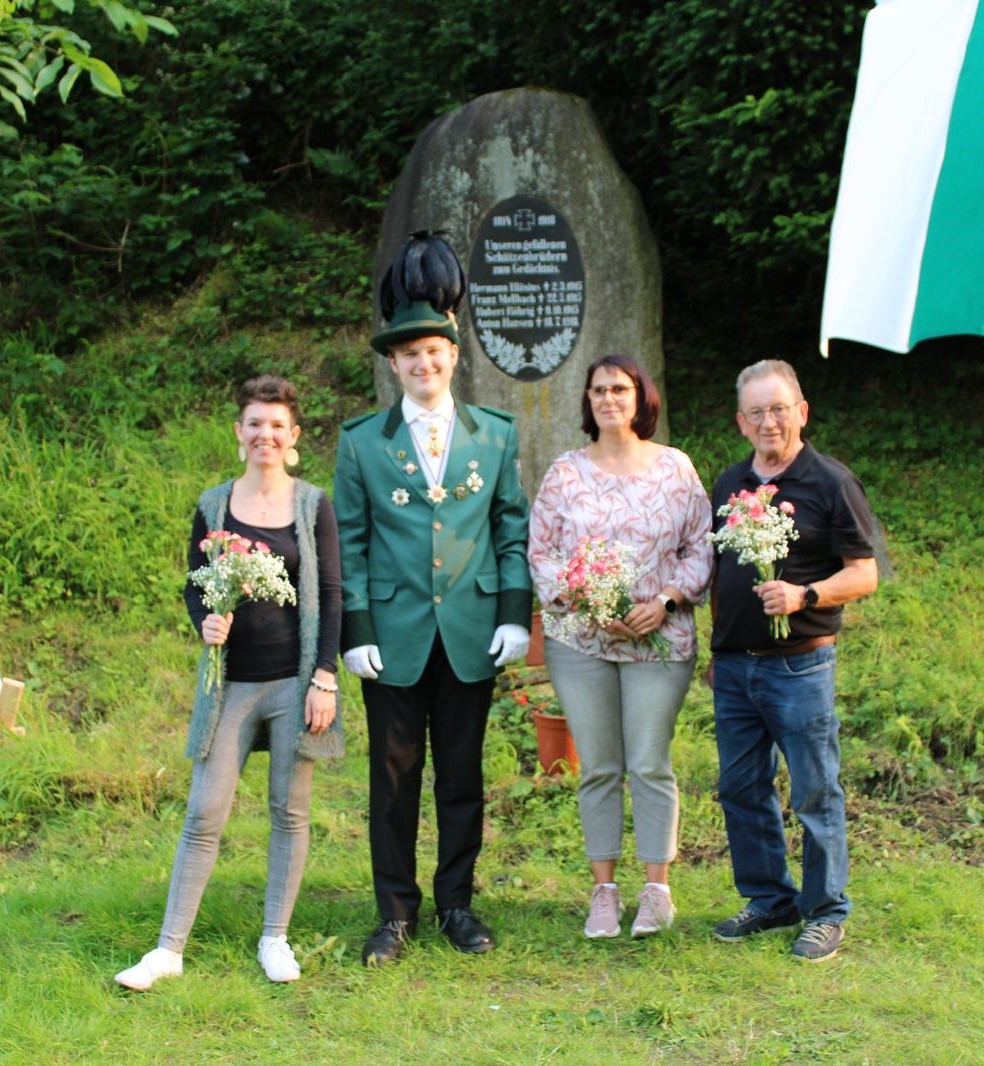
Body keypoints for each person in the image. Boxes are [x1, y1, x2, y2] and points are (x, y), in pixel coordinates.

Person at [334, 232, 532, 966]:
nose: (424, 362)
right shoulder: (361, 443)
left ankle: (457, 904)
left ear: (454, 354)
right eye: (409, 353)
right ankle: (393, 914)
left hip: (473, 631)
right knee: (391, 783)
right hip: (392, 633)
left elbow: (511, 526)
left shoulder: (495, 436)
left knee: (461, 775)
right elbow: (349, 541)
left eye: (436, 350)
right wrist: (354, 628)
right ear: (394, 364)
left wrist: (515, 615)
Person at [115, 375, 343, 990]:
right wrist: (205, 621)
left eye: (277, 425)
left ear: (293, 436)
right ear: (239, 434)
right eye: (254, 424)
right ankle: (168, 950)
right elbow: (195, 583)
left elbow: (331, 593)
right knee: (203, 813)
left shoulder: (313, 504)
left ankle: (275, 939)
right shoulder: (214, 505)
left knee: (288, 813)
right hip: (231, 687)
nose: (265, 434)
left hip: (292, 685)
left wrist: (325, 675)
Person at [528, 355, 713, 939]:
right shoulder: (565, 473)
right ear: (587, 401)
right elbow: (542, 553)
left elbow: (702, 545)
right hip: (582, 641)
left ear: (640, 398)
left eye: (620, 388)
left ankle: (657, 889)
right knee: (599, 765)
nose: (609, 398)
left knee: (650, 761)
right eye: (599, 390)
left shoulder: (675, 469)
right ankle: (604, 891)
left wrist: (666, 599)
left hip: (661, 638)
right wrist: (591, 607)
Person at [710, 358, 877, 963]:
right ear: (740, 421)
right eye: (755, 412)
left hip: (800, 666)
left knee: (814, 789)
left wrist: (805, 595)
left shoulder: (830, 482)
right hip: (734, 667)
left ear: (801, 411)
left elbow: (865, 572)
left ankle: (826, 910)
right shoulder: (730, 483)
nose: (768, 421)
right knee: (741, 788)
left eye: (778, 408)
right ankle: (769, 898)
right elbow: (715, 569)